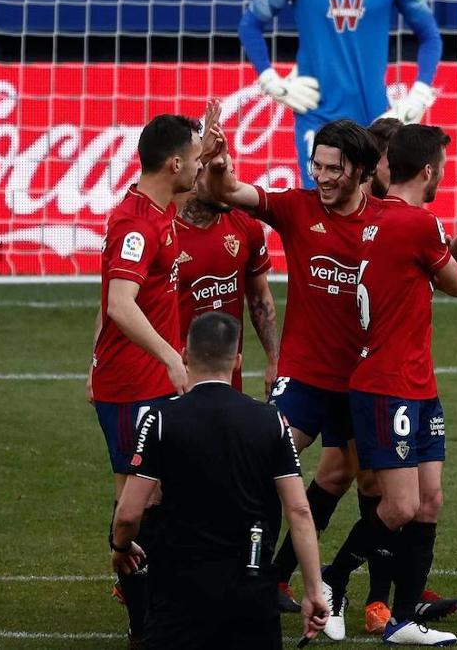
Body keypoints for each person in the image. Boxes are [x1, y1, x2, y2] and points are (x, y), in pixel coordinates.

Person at [204, 118, 381, 641]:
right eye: (317, 165)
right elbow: (227, 190)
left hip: (361, 383)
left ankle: (342, 585)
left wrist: (453, 253)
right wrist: (217, 161)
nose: (322, 177)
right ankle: (249, 576)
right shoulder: (295, 207)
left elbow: (434, 268)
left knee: (372, 489)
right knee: (259, 464)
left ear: (361, 171)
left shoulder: (389, 223)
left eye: (334, 168)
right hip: (305, 378)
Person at [318, 115, 457, 636]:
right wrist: (446, 255)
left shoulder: (376, 216)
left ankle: (404, 618)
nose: (445, 173)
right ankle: (332, 579)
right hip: (389, 384)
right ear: (428, 170)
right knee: (399, 505)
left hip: (416, 381)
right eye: (443, 165)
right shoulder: (420, 223)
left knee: (429, 501)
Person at [110, 311, 329, 649]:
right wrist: (314, 589)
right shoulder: (272, 421)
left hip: (179, 593)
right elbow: (299, 511)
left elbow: (128, 513)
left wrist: (120, 547)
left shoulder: (161, 419)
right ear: (237, 361)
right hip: (250, 590)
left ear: (184, 354)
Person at [90, 110, 206, 646]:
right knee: (137, 506)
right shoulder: (136, 223)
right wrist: (171, 356)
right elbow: (119, 303)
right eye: (196, 157)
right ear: (174, 162)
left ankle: (161, 608)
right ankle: (143, 625)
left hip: (149, 381)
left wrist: (210, 138)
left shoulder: (162, 207)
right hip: (131, 386)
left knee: (166, 497)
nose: (202, 165)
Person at [238, 0, 442, 188]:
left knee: (375, 220)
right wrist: (271, 82)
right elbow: (250, 24)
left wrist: (421, 91)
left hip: (375, 118)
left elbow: (430, 36)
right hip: (317, 116)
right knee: (320, 212)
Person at [174, 108, 279, 395]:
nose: (227, 184)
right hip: (169, 376)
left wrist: (274, 359)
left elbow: (259, 298)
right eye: (217, 172)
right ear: (194, 176)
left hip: (226, 384)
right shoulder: (162, 230)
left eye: (229, 172)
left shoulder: (246, 227)